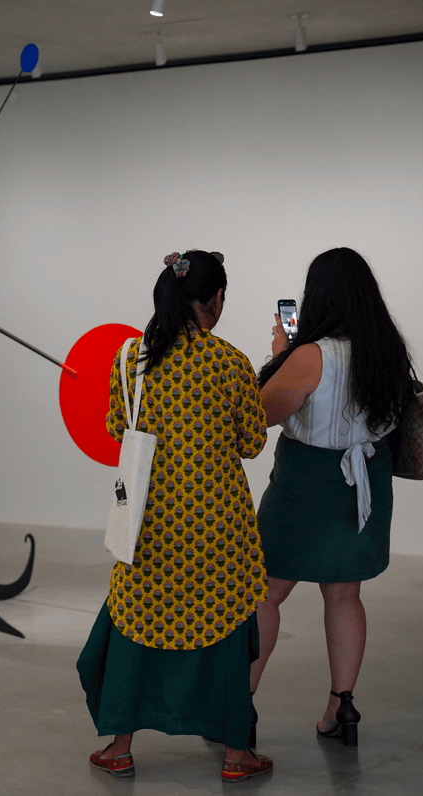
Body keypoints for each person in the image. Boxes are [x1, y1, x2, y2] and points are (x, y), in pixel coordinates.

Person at [77, 250, 274, 784]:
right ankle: (235, 755)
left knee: (134, 624)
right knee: (227, 627)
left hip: (150, 523)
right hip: (218, 526)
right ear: (215, 299)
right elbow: (252, 443)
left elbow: (118, 427)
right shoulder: (230, 362)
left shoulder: (130, 359)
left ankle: (120, 748)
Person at [249, 247, 413, 747]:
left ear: (317, 295)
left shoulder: (310, 355)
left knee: (264, 592)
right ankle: (343, 706)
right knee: (344, 595)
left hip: (306, 485)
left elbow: (260, 415)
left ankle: (237, 703)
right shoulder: (387, 350)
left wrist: (280, 356)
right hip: (366, 483)